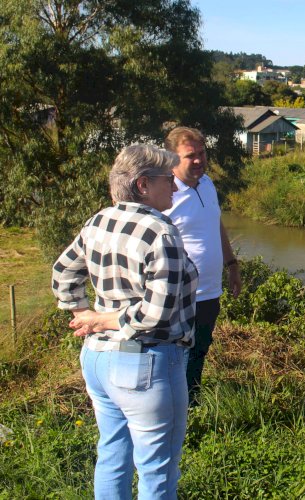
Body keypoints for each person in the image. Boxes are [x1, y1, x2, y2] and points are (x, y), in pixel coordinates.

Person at [51, 144, 198, 500]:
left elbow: (62, 273)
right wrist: (102, 320)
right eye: (169, 180)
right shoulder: (160, 233)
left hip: (98, 360)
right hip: (146, 364)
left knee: (112, 454)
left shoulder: (99, 220)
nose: (176, 187)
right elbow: (156, 313)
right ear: (144, 184)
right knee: (157, 471)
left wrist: (82, 314)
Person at [163, 126, 241, 404]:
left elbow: (215, 223)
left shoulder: (207, 184)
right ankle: (177, 412)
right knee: (176, 355)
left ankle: (191, 406)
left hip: (209, 291)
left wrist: (231, 263)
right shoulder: (165, 195)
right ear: (172, 159)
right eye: (190, 156)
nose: (198, 160)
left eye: (202, 153)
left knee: (200, 350)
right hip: (179, 296)